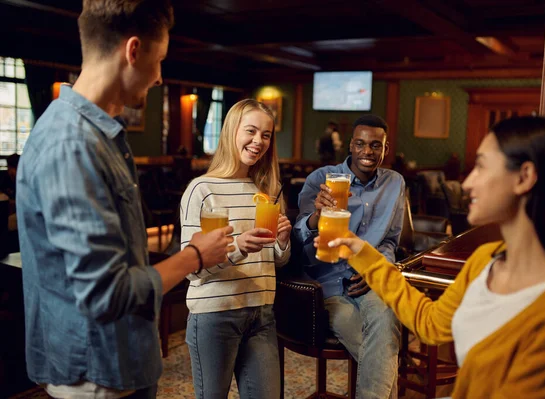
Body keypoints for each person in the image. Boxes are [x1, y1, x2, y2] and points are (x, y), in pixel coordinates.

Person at [16, 1, 234, 398]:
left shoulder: (98, 133)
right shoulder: (72, 143)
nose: (160, 78)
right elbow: (106, 293)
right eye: (160, 60)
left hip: (121, 358)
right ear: (133, 51)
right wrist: (195, 256)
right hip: (97, 371)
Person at [325, 116, 545, 397]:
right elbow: (430, 323)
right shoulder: (487, 260)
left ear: (524, 177)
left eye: (481, 166)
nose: (467, 183)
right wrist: (363, 253)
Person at [180, 99, 292, 399]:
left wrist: (282, 242)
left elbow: (275, 262)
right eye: (251, 131)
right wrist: (238, 247)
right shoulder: (202, 190)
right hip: (215, 315)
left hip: (261, 314)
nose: (259, 141)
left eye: (266, 135)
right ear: (232, 131)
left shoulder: (265, 191)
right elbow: (193, 269)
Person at [294, 114, 404, 399]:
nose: (368, 151)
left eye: (375, 145)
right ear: (350, 146)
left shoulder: (395, 183)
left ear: (385, 149)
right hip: (327, 284)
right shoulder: (321, 179)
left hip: (368, 279)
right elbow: (298, 239)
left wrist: (377, 268)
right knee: (383, 352)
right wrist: (316, 216)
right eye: (360, 144)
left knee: (388, 316)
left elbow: (390, 241)